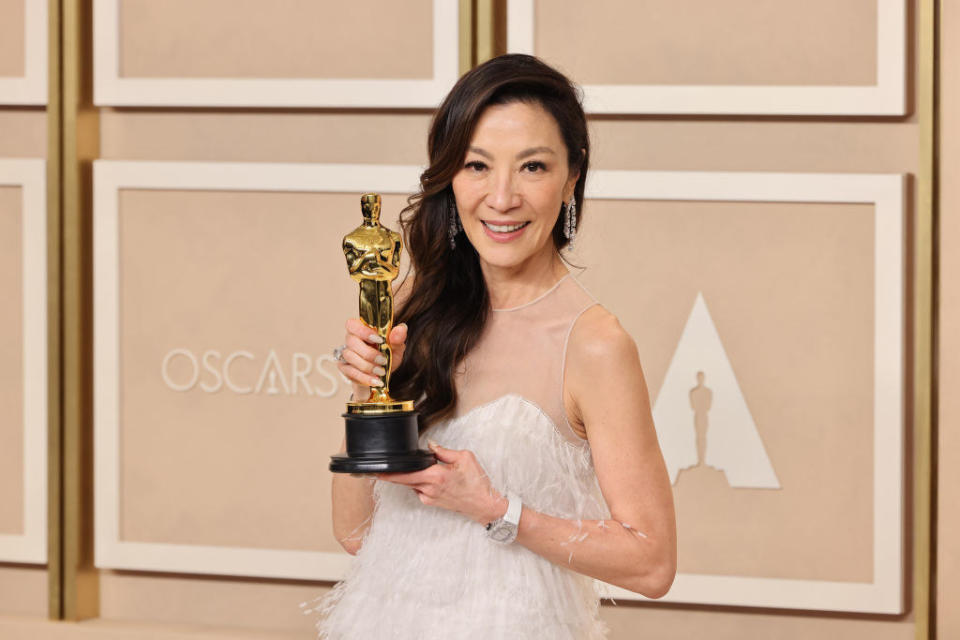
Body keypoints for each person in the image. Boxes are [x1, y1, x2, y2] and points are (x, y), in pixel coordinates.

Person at [304, 54, 676, 639]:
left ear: (571, 176)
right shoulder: (414, 309)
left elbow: (652, 564)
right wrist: (365, 391)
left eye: (532, 167)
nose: (501, 198)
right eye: (477, 166)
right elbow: (355, 536)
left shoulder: (595, 344)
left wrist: (497, 509)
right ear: (451, 177)